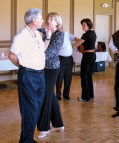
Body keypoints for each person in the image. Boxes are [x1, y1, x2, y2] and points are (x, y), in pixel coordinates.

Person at [8, 8, 48, 143]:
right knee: (29, 110)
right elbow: (11, 55)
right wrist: (24, 67)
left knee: (36, 107)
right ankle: (26, 140)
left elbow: (41, 52)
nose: (43, 20)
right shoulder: (21, 36)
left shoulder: (37, 34)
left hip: (40, 75)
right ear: (34, 20)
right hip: (29, 76)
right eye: (41, 18)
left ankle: (27, 138)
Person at [37, 12, 64, 138]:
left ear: (57, 22)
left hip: (52, 68)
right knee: (50, 95)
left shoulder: (59, 34)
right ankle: (58, 124)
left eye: (51, 19)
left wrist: (36, 57)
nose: (48, 20)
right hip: (44, 67)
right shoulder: (46, 31)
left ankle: (44, 127)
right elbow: (35, 27)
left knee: (45, 96)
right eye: (48, 18)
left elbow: (51, 52)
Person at [72, 18, 97, 102]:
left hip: (87, 56)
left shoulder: (86, 34)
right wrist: (75, 38)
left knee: (84, 76)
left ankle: (85, 97)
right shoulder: (93, 33)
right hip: (92, 55)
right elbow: (80, 41)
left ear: (88, 25)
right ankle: (90, 95)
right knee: (89, 76)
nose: (82, 27)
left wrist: (70, 49)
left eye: (84, 25)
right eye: (82, 25)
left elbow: (78, 43)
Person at [56, 31, 76, 100]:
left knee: (68, 78)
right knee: (60, 77)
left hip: (69, 59)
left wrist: (72, 47)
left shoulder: (67, 33)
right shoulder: (55, 35)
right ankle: (58, 94)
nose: (61, 28)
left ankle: (66, 94)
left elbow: (77, 39)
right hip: (61, 59)